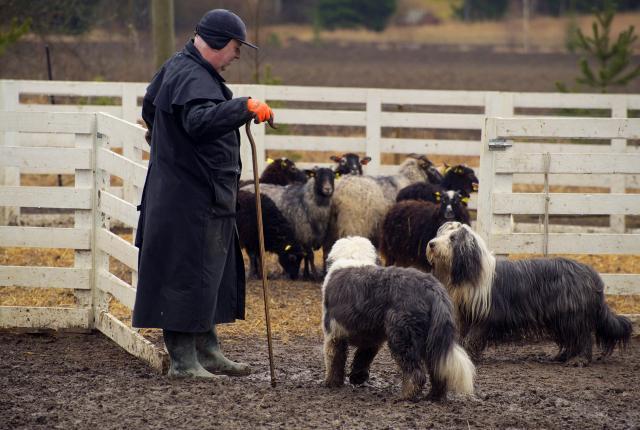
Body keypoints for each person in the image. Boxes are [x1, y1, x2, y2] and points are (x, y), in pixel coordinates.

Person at [132, 9, 273, 379]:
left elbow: (151, 104)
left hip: (199, 193)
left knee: (208, 272)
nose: (237, 56)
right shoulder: (191, 75)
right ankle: (183, 362)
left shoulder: (181, 68)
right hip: (188, 197)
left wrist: (164, 137)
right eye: (235, 47)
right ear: (216, 42)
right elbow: (197, 122)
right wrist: (242, 107)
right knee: (186, 274)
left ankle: (207, 351)